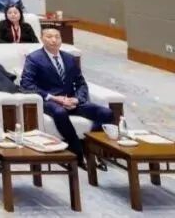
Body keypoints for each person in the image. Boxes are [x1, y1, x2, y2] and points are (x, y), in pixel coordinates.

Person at [20, 28, 113, 170]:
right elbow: (26, 85)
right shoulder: (34, 58)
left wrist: (77, 99)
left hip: (72, 100)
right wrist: (54, 98)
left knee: (106, 113)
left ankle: (91, 148)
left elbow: (81, 83)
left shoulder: (69, 58)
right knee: (60, 113)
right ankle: (77, 151)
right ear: (42, 39)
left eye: (57, 37)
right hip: (50, 101)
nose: (54, 40)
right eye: (49, 36)